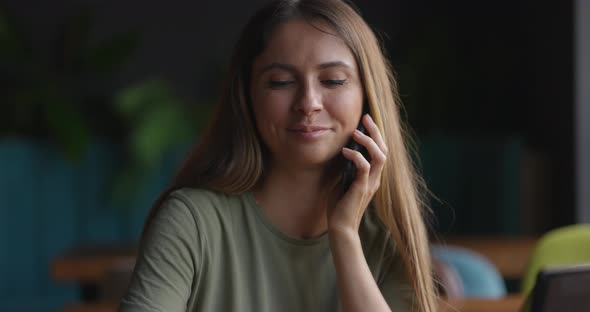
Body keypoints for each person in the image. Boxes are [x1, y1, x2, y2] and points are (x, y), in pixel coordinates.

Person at [119, 0, 437, 311]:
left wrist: (344, 235)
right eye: (281, 82)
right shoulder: (191, 220)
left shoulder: (388, 229)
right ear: (247, 96)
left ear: (368, 95)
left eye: (333, 80)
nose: (308, 102)